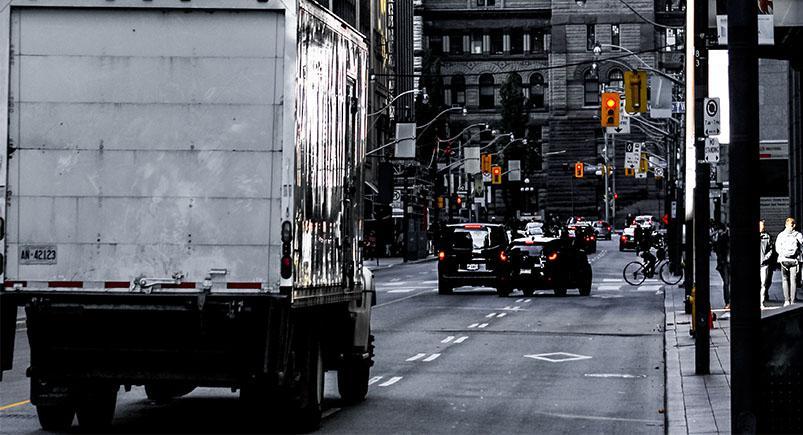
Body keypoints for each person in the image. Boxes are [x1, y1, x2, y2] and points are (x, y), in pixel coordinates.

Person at [775, 217, 803, 307]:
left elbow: (777, 248)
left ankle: (786, 301)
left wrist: (783, 254)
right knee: (793, 280)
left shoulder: (780, 235)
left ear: (785, 225)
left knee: (785, 280)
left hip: (784, 260)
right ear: (794, 225)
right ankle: (793, 301)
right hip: (794, 261)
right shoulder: (798, 235)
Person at [710, 221, 730, 310]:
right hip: (725, 263)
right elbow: (718, 250)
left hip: (726, 262)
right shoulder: (723, 237)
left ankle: (729, 301)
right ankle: (728, 302)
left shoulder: (723, 237)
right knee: (726, 283)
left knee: (727, 283)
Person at [759, 219, 775, 309]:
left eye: (763, 225)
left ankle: (761, 302)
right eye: (761, 225)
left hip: (764, 264)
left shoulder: (767, 237)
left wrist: (765, 258)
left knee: (763, 283)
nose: (762, 227)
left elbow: (771, 249)